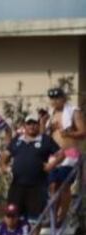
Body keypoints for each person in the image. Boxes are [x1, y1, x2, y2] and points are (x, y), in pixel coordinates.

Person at [0, 114, 63, 222]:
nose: (32, 126)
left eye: (35, 123)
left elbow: (61, 154)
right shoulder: (17, 140)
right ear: (25, 125)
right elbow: (5, 156)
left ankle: (33, 234)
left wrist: (51, 165)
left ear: (39, 125)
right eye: (29, 123)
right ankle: (20, 233)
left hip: (37, 186)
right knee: (14, 217)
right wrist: (5, 168)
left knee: (35, 219)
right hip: (17, 186)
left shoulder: (45, 140)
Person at [47, 87, 85, 224]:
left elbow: (83, 132)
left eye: (57, 98)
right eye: (52, 98)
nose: (55, 101)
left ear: (63, 98)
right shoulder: (50, 114)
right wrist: (48, 127)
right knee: (52, 186)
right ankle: (53, 217)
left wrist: (68, 133)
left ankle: (61, 217)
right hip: (54, 154)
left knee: (64, 185)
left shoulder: (74, 112)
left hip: (69, 153)